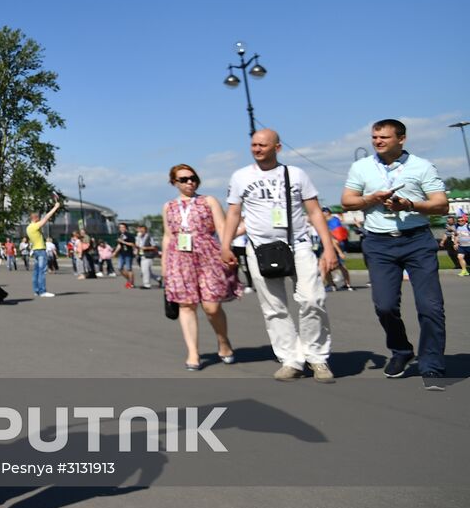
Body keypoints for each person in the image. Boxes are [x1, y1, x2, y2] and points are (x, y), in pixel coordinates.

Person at [220, 130, 338, 382]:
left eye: (263, 144)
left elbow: (315, 212)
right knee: (274, 306)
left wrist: (328, 248)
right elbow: (233, 213)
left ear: (278, 147)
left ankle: (317, 357)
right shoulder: (240, 176)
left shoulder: (296, 174)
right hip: (259, 248)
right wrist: (226, 245)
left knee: (312, 299)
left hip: (298, 244)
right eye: (253, 144)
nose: (257, 149)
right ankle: (291, 359)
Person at [341, 119, 450, 390]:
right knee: (385, 305)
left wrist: (409, 204)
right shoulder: (361, 167)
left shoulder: (421, 166)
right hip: (378, 244)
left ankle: (431, 364)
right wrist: (372, 199)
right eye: (374, 137)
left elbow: (441, 205)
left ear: (401, 139)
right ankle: (401, 351)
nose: (377, 141)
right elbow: (347, 200)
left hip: (417, 240)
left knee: (430, 306)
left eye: (384, 137)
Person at [161, 164, 238, 370]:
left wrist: (226, 250)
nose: (190, 182)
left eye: (193, 178)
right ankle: (193, 353)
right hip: (179, 258)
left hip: (208, 255)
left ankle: (223, 341)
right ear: (174, 183)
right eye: (184, 179)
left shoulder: (208, 201)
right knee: (186, 305)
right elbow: (168, 236)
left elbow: (221, 227)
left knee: (211, 307)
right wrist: (164, 266)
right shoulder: (169, 206)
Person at [25, 201, 61, 298]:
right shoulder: (35, 226)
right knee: (42, 271)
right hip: (40, 250)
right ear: (35, 218)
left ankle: (36, 290)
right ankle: (42, 291)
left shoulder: (28, 228)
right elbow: (46, 218)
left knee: (36, 271)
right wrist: (55, 207)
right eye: (38, 218)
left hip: (36, 250)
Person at [134, 224, 158, 288]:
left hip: (148, 256)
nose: (141, 230)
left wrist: (146, 248)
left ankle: (146, 284)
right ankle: (158, 278)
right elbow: (138, 246)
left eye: (143, 229)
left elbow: (154, 246)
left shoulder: (149, 237)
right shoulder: (139, 237)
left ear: (146, 230)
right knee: (146, 271)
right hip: (141, 256)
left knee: (145, 271)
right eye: (140, 229)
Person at [115, 223, 136, 287]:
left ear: (126, 228)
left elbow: (133, 244)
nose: (121, 228)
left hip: (128, 253)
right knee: (119, 268)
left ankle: (131, 283)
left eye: (123, 227)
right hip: (122, 253)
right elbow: (119, 245)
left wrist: (123, 242)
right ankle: (129, 279)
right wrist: (115, 252)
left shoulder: (129, 235)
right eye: (120, 227)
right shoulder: (119, 235)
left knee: (129, 269)